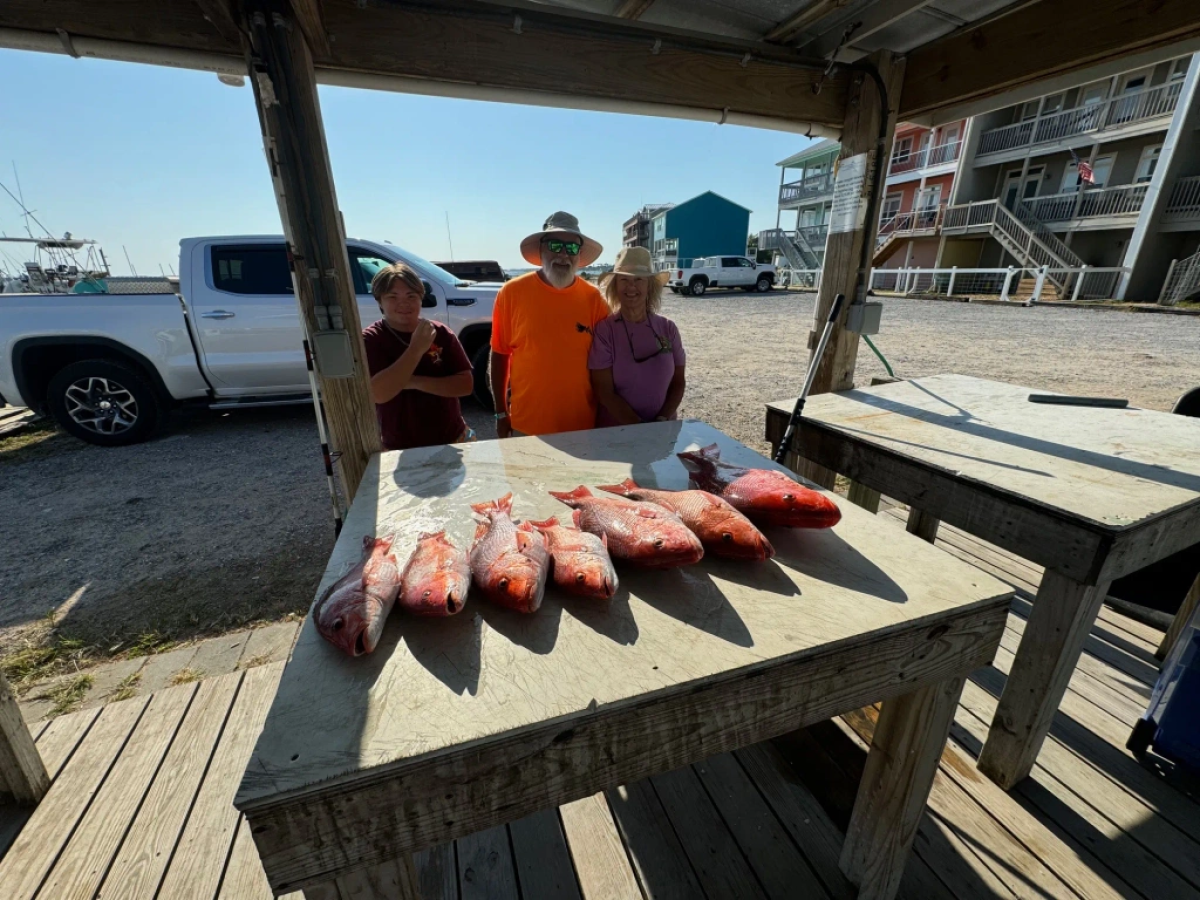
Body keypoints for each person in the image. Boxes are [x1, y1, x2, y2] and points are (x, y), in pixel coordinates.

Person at [490, 211, 610, 437]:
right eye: (555, 245)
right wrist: (500, 413)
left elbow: (606, 365)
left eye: (572, 248)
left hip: (582, 426)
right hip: (526, 426)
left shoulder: (594, 299)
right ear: (541, 249)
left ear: (579, 254)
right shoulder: (511, 293)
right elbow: (499, 354)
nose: (564, 254)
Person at [362, 262, 475, 450]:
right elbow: (379, 394)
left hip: (453, 440)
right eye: (392, 296)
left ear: (421, 299)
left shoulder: (440, 333)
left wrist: (409, 382)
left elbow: (465, 385)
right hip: (399, 447)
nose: (403, 303)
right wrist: (416, 349)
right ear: (379, 301)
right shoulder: (371, 339)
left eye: (411, 296)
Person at [589, 247, 686, 427]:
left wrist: (661, 421)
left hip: (662, 430)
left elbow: (678, 382)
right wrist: (639, 428)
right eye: (624, 279)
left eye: (639, 280)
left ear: (649, 286)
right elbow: (603, 391)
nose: (631, 286)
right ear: (615, 286)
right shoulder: (605, 331)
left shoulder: (668, 328)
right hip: (615, 433)